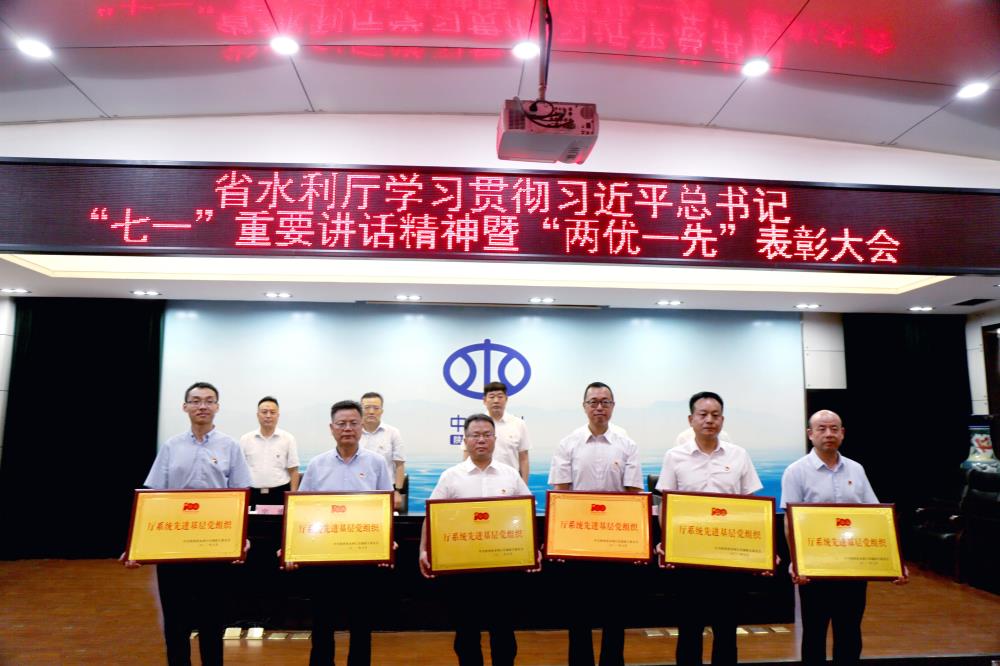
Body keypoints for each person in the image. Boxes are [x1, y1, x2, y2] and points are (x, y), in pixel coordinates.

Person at [126, 381, 253, 666]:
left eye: (209, 401)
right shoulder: (171, 446)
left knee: (212, 621)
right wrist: (137, 545)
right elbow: (153, 498)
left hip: (214, 546)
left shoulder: (230, 446)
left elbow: (241, 495)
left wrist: (240, 538)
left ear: (217, 407)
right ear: (185, 407)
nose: (202, 406)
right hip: (174, 548)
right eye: (196, 401)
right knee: (175, 621)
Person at [780, 410, 907, 665]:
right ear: (810, 434)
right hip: (815, 567)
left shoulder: (856, 469)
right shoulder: (796, 471)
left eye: (834, 428)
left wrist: (895, 563)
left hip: (853, 565)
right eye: (822, 429)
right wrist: (797, 562)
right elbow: (789, 522)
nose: (829, 434)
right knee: (814, 632)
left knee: (849, 631)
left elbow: (877, 517)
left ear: (843, 433)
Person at [656, 391, 763, 666]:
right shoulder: (674, 457)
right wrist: (668, 542)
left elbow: (751, 505)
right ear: (691, 419)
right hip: (689, 557)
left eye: (715, 415)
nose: (709, 420)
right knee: (689, 629)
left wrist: (759, 549)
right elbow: (666, 505)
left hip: (728, 556)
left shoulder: (739, 455)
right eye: (702, 415)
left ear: (722, 420)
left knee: (726, 629)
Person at [419, 414, 534, 666]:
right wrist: (423, 550)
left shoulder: (510, 475)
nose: (481, 440)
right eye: (475, 435)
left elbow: (526, 513)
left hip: (502, 568)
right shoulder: (451, 476)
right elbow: (432, 515)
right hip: (463, 570)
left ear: (495, 439)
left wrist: (533, 547)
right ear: (465, 440)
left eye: (486, 435)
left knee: (503, 632)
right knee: (466, 633)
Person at [548, 381, 643, 666]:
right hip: (579, 545)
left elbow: (634, 495)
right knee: (579, 617)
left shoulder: (627, 445)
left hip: (616, 544)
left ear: (613, 406)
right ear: (584, 406)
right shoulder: (568, 444)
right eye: (593, 402)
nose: (599, 407)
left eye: (605, 402)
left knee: (616, 616)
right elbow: (561, 494)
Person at [297, 400, 394, 666]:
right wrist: (293, 546)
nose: (348, 428)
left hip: (362, 557)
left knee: (361, 625)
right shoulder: (317, 465)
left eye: (353, 423)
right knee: (322, 625)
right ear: (332, 428)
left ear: (362, 427)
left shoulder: (376, 463)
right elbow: (302, 510)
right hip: (324, 559)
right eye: (341, 424)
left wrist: (387, 542)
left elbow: (385, 508)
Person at [463, 381, 531, 483]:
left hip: (510, 480)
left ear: (506, 399)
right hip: (479, 480)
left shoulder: (518, 424)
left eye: (500, 397)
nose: (496, 401)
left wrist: (524, 484)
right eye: (491, 397)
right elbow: (466, 453)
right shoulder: (474, 425)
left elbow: (524, 457)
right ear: (484, 400)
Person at [239, 395, 300, 506]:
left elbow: (293, 471)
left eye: (272, 412)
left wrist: (293, 497)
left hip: (280, 493)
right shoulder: (245, 439)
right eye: (264, 412)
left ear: (278, 415)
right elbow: (239, 471)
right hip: (252, 494)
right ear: (258, 415)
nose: (268, 416)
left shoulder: (288, 439)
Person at [358, 391, 407, 511]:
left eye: (376, 408)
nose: (371, 412)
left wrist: (397, 491)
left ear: (381, 411)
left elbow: (399, 464)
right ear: (360, 410)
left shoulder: (393, 433)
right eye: (367, 408)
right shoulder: (353, 431)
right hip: (357, 489)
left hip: (385, 490)